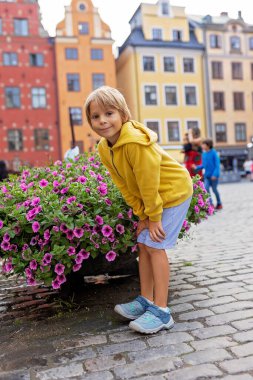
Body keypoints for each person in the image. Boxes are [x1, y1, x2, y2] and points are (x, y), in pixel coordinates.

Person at [84, 86, 193, 334]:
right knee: (142, 245)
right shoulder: (104, 147)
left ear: (123, 114)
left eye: (109, 113)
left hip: (173, 191)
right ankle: (147, 300)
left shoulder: (134, 144)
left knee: (155, 245)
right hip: (154, 197)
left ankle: (162, 312)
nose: (102, 121)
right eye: (95, 116)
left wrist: (154, 218)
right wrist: (142, 216)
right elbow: (124, 183)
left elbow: (148, 182)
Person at [193, 138, 222, 210]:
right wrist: (196, 167)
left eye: (203, 144)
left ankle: (219, 203)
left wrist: (215, 174)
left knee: (214, 190)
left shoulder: (214, 153)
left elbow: (217, 165)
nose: (202, 146)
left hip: (214, 176)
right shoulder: (204, 154)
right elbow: (204, 165)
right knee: (206, 189)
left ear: (208, 145)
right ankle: (210, 205)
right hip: (207, 176)